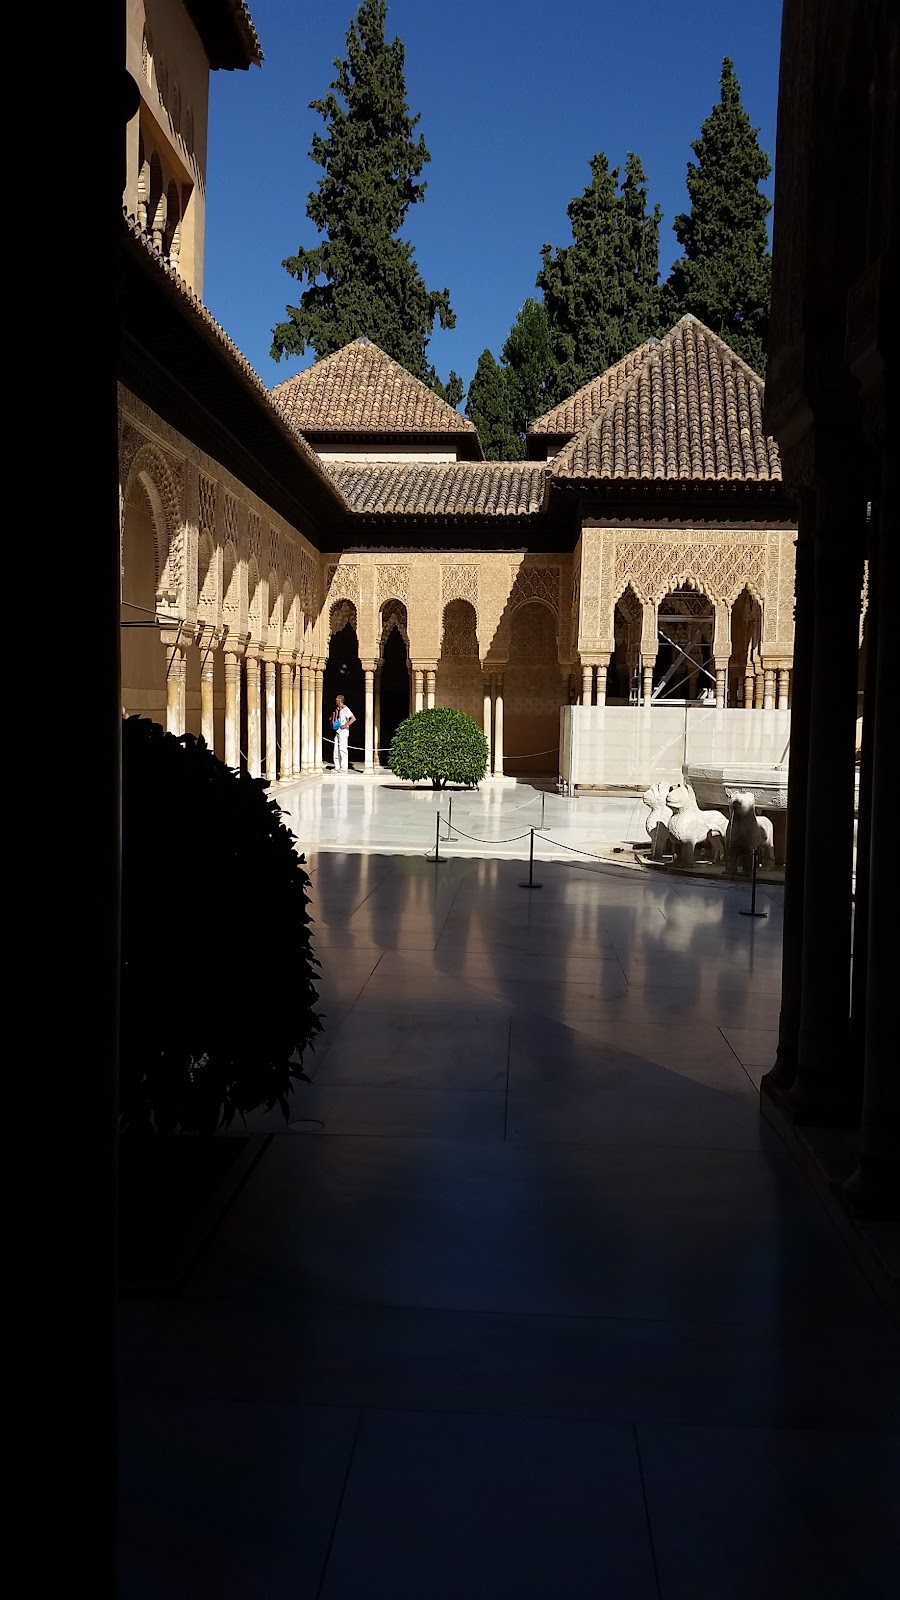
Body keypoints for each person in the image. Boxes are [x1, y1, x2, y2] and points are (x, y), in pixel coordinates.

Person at [331, 694, 356, 772]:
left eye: (337, 700)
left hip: (343, 732)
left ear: (340, 700)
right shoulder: (340, 709)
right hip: (338, 731)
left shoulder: (346, 709)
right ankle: (337, 766)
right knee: (336, 749)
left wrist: (345, 725)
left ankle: (344, 768)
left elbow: (353, 718)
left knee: (343, 749)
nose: (336, 701)